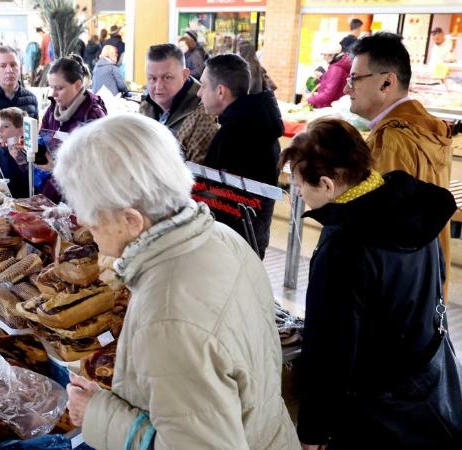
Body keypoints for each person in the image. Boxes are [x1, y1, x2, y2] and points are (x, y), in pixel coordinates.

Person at [56, 114, 298, 449]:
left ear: (130, 221)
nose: (82, 220)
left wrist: (97, 413)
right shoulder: (220, 235)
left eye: (92, 215)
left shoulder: (168, 318)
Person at [279, 118, 462, 449]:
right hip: (423, 377)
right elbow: (438, 279)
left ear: (326, 184)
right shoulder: (412, 205)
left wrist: (314, 429)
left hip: (373, 406)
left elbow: (331, 346)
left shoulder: (345, 245)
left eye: (300, 185)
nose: (300, 196)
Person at [345, 31, 453, 294]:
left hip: (393, 294)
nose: (347, 88)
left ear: (386, 83)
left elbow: (379, 232)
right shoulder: (428, 128)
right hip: (425, 283)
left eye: (354, 78)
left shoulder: (392, 138)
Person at [198, 54, 283, 259]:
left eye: (203, 86)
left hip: (230, 246)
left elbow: (219, 198)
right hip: (251, 240)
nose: (199, 93)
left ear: (220, 91)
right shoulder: (259, 123)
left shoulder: (235, 133)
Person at [39, 55, 107, 202]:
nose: (53, 94)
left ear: (77, 85)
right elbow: (41, 143)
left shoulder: (93, 116)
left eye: (59, 88)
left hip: (82, 198)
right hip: (53, 191)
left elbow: (96, 166)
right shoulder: (52, 110)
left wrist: (56, 167)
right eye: (51, 87)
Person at [139, 43, 217, 163]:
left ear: (185, 74)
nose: (158, 86)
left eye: (167, 77)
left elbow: (197, 175)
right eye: (152, 78)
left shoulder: (203, 114)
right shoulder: (146, 105)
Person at [0, 107, 30, 198]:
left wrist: (19, 159)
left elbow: (32, 183)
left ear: (21, 130)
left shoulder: (28, 153)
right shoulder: (0, 150)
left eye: (5, 126)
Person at [306, 39, 352, 108]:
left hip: (329, 108)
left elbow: (328, 95)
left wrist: (309, 100)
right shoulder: (338, 67)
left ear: (332, 55)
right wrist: (321, 78)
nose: (324, 58)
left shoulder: (336, 69)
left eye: (326, 55)